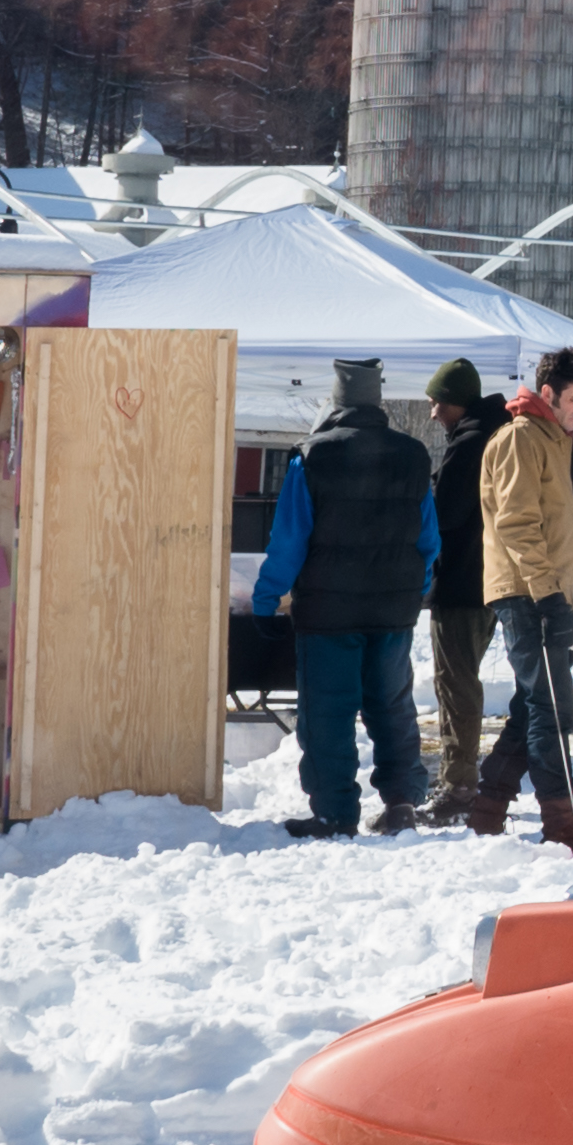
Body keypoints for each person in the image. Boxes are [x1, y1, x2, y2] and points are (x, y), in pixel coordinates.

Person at [249, 356, 438, 839]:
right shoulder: (413, 455)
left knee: (329, 712)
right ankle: (401, 804)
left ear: (335, 403)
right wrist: (411, 591)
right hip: (393, 610)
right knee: (392, 706)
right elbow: (428, 539)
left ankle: (335, 812)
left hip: (329, 613)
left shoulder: (313, 456)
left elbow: (289, 539)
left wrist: (267, 598)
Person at [475, 350, 573, 845]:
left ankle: (487, 809)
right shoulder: (522, 437)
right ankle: (561, 824)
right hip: (526, 591)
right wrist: (549, 597)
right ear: (547, 394)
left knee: (536, 705)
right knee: (551, 708)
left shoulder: (555, 439)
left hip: (547, 592)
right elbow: (516, 522)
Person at [418, 361, 500, 832]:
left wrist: (428, 489)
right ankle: (459, 781)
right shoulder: (492, 433)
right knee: (460, 683)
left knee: (457, 685)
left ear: (457, 402)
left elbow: (446, 513)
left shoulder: (470, 442)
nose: (433, 414)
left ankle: (459, 786)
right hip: (483, 580)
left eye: (437, 403)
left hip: (462, 582)